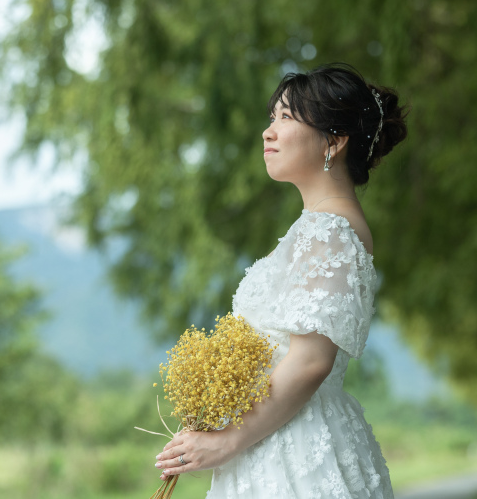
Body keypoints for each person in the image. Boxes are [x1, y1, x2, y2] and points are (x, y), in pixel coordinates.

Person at [154, 63, 408, 498]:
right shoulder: (319, 227)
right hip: (275, 436)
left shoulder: (329, 231)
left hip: (295, 449)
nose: (268, 132)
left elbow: (311, 362)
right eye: (271, 117)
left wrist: (226, 441)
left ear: (334, 140)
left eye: (286, 117)